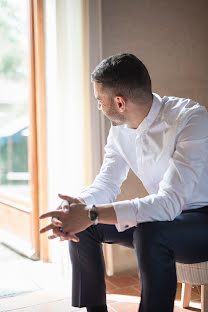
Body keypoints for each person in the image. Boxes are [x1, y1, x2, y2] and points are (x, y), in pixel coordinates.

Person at [40, 53, 208, 312]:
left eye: (99, 100)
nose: (98, 106)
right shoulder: (120, 129)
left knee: (150, 233)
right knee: (86, 227)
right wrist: (78, 208)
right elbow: (107, 184)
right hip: (164, 218)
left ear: (119, 102)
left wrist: (92, 213)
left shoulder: (190, 119)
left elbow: (169, 203)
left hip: (201, 221)